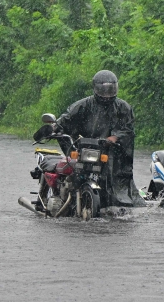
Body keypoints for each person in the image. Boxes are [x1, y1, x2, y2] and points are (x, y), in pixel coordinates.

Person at [51, 70, 144, 207]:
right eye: (103, 90)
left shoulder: (123, 107)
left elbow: (128, 130)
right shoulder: (83, 105)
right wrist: (55, 127)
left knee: (119, 182)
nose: (107, 94)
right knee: (74, 169)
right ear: (96, 88)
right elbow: (66, 119)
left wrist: (115, 137)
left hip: (112, 152)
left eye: (110, 89)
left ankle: (112, 200)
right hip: (86, 147)